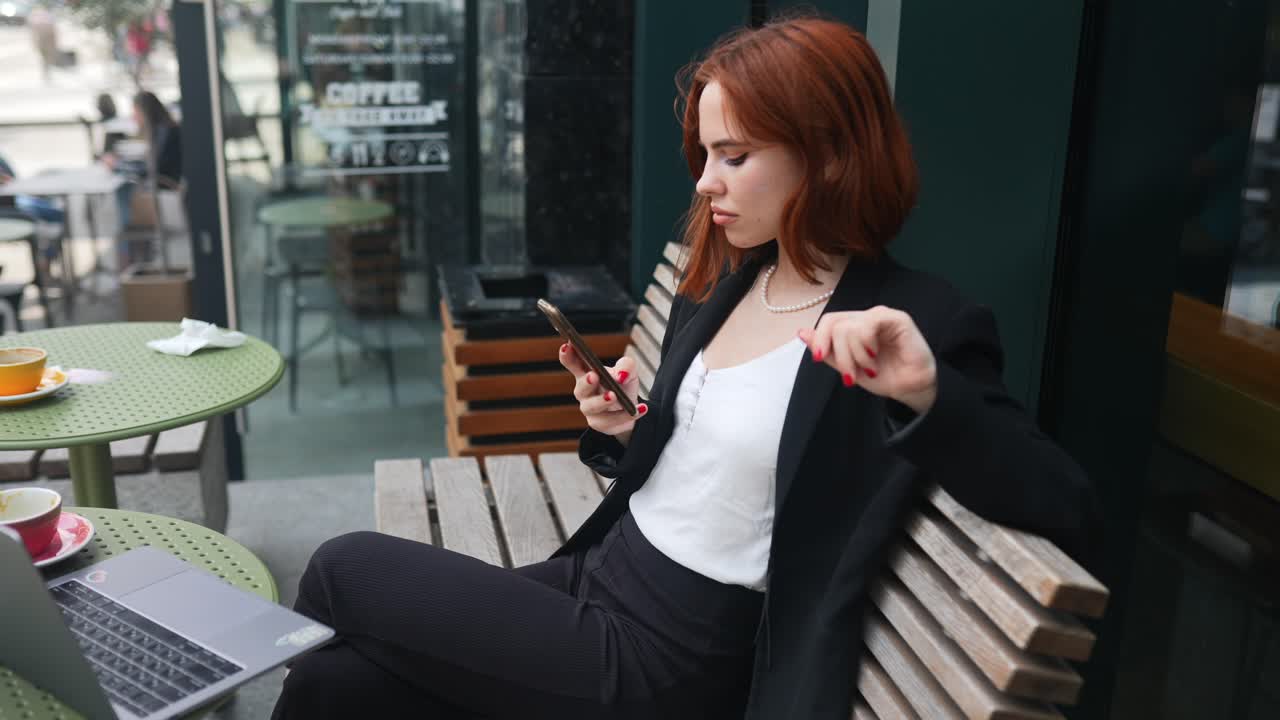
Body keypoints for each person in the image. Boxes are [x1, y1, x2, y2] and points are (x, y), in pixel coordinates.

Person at [271, 16, 1096, 720]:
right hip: (598, 576)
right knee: (328, 683)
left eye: (735, 157)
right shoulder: (739, 285)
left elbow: (1064, 501)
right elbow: (699, 475)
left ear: (833, 155)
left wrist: (926, 392)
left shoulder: (912, 320)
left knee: (345, 566)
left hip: (667, 658)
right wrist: (624, 430)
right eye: (706, 154)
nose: (706, 183)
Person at [106, 91, 181, 234]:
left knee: (123, 186)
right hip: (161, 176)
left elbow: (151, 169)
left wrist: (118, 166)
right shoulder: (162, 128)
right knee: (123, 184)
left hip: (164, 180)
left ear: (145, 112)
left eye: (135, 112)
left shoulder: (163, 131)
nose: (133, 117)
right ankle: (129, 232)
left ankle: (129, 232)